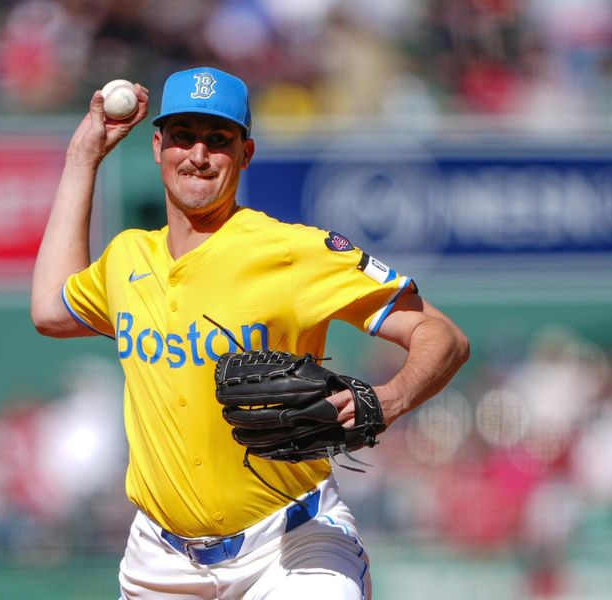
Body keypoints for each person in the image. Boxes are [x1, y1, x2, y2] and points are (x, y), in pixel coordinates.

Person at [31, 66, 470, 599]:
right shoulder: (127, 258)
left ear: (245, 154)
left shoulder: (293, 251)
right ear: (156, 146)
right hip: (160, 563)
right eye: (182, 137)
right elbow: (51, 311)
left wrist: (392, 398)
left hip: (291, 546)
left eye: (218, 140)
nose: (197, 155)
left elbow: (442, 334)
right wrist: (84, 156)